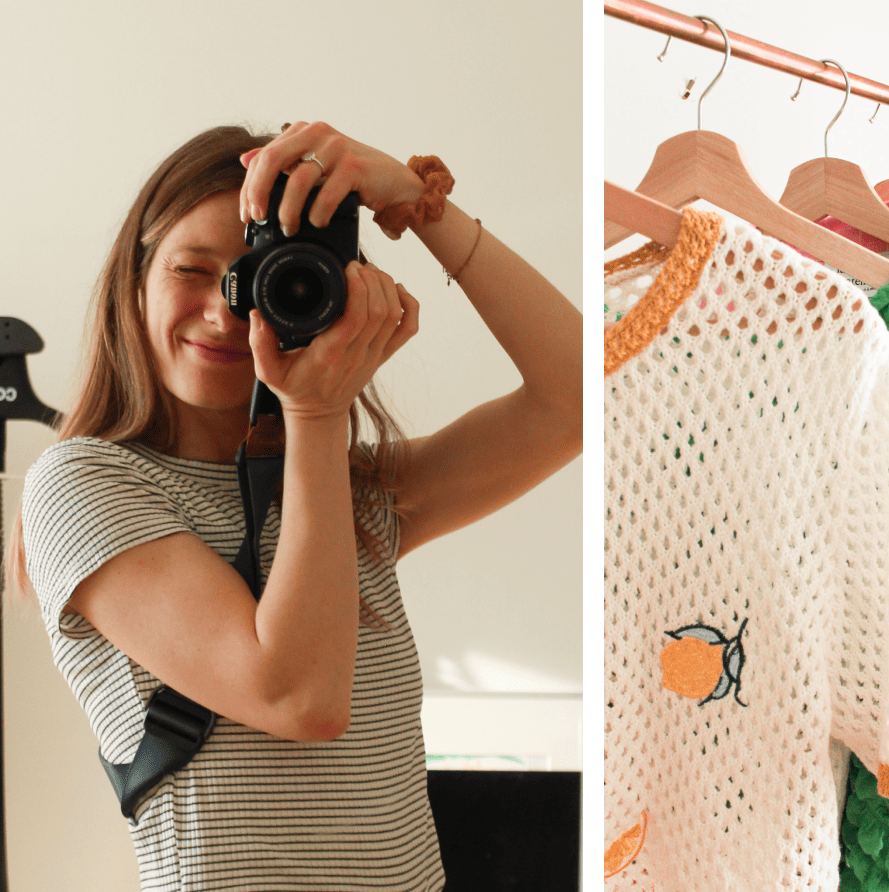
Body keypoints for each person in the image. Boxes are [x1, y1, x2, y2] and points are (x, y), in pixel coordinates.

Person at [11, 122, 581, 890]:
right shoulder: (82, 483)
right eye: (193, 268)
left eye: (260, 274)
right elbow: (299, 696)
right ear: (135, 279)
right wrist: (314, 417)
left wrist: (416, 202)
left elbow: (576, 403)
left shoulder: (350, 492)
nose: (224, 310)